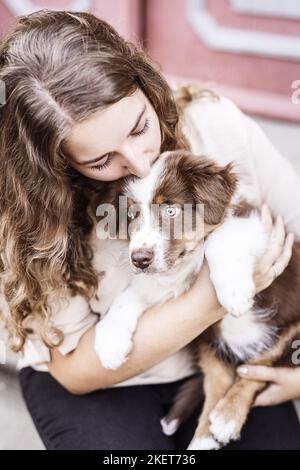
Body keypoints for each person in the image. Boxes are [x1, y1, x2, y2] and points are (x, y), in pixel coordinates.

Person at [0, 10, 299, 450]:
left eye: (140, 126)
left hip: (223, 356)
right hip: (103, 378)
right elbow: (78, 371)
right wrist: (210, 298)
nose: (141, 162)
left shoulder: (212, 122)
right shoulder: (34, 213)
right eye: (102, 161)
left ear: (145, 86)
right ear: (57, 164)